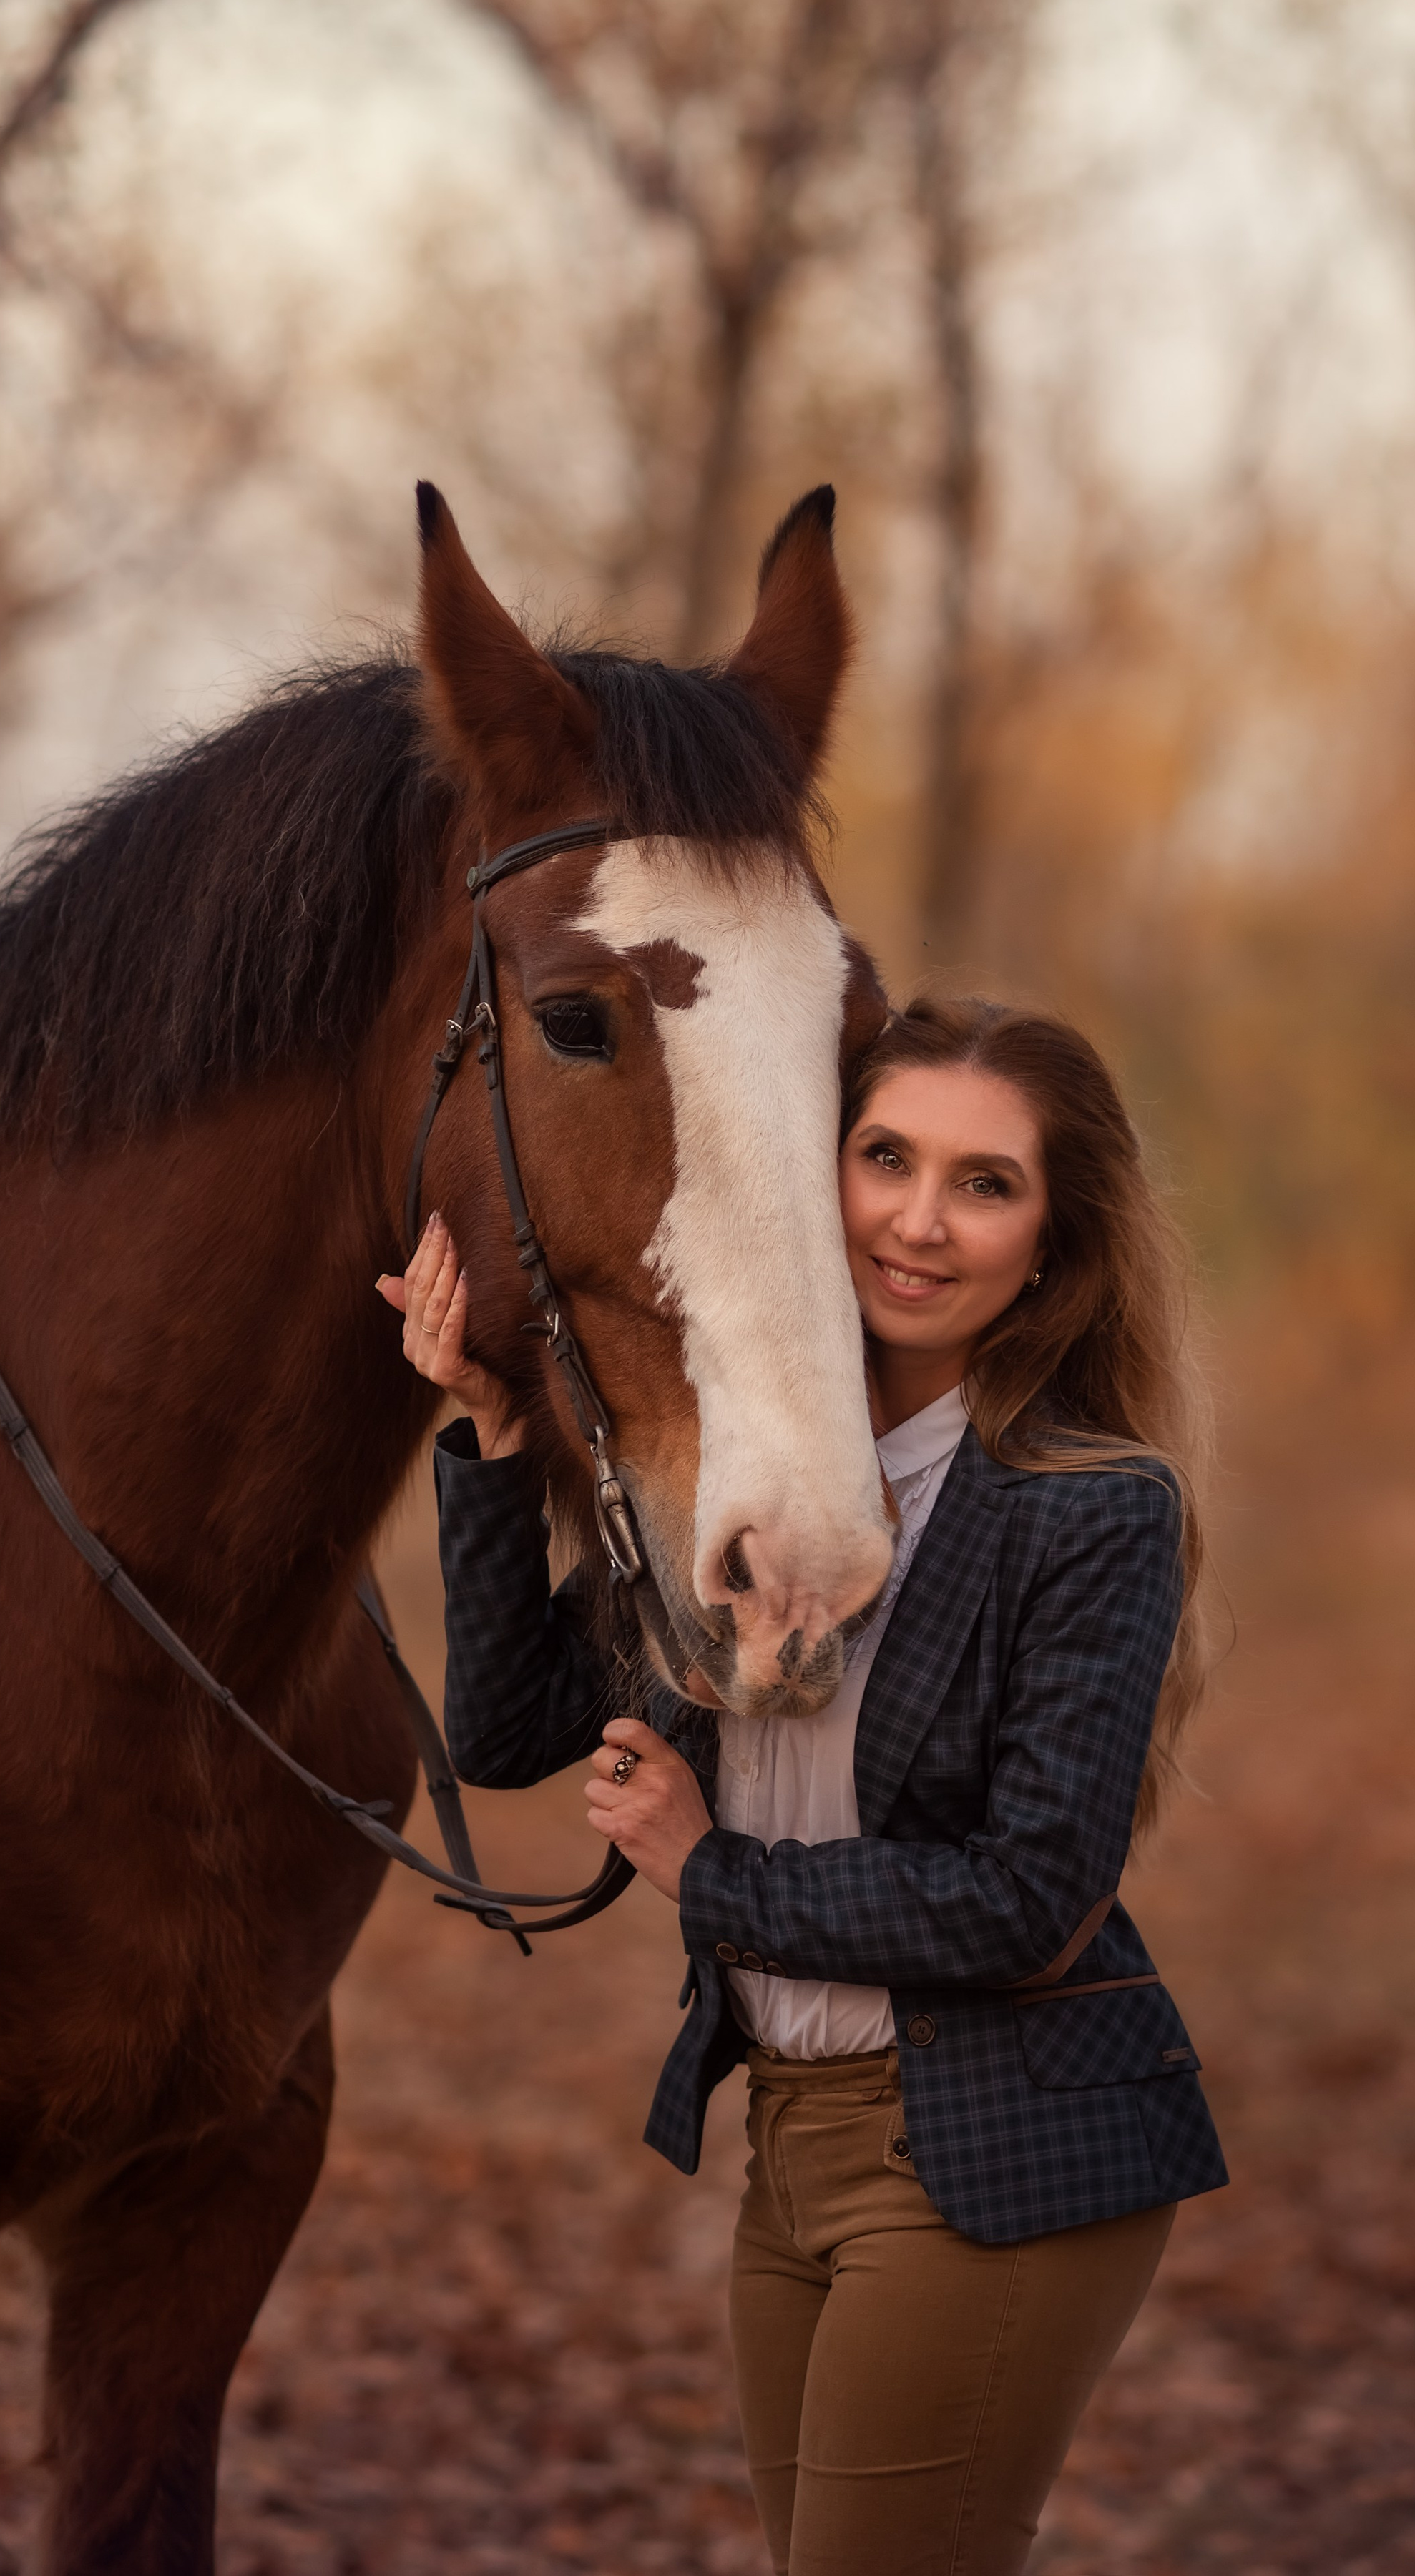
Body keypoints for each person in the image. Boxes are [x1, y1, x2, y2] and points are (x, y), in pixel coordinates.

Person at [382, 995, 1227, 2576]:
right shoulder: (738, 1459)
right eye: (883, 1156)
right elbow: (503, 1732)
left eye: (984, 1183)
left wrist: (713, 1873)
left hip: (992, 2143)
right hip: (790, 2140)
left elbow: (1028, 1899)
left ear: (1048, 1240)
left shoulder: (1086, 1510)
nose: (916, 1219)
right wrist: (493, 1434)